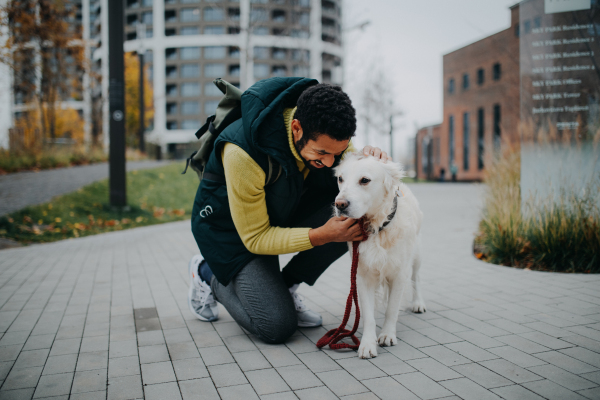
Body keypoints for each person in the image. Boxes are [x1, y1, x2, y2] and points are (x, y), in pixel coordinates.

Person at [188, 77, 390, 344]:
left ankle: (283, 287)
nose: (330, 161)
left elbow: (353, 171)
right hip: (230, 234)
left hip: (277, 210)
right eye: (321, 152)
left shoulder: (325, 136)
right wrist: (320, 235)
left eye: (337, 152)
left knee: (355, 219)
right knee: (276, 326)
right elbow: (256, 238)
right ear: (296, 128)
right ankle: (206, 273)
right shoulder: (242, 152)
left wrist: (367, 159)